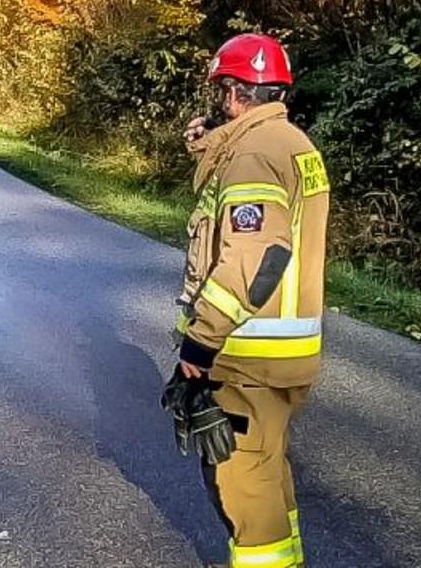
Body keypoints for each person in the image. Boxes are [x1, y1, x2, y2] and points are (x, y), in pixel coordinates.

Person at [172, 33, 328, 568]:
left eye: (223, 93)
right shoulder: (293, 144)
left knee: (244, 486)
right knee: (268, 472)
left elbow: (255, 253)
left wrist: (199, 344)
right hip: (287, 353)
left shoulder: (254, 155)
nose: (218, 103)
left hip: (247, 353)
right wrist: (214, 143)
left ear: (237, 93)